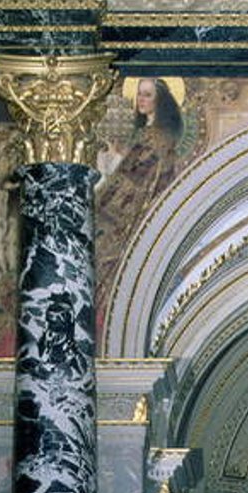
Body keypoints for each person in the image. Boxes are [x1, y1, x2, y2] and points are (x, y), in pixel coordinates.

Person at [95, 78, 185, 316]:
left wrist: (113, 163)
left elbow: (134, 177)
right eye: (139, 94)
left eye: (147, 95)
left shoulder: (155, 138)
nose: (140, 100)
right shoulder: (149, 135)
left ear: (160, 101)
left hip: (127, 216)